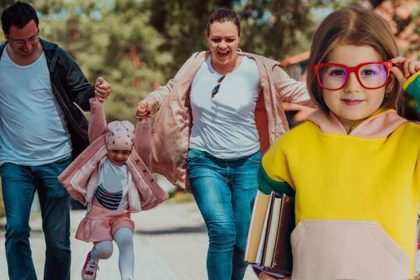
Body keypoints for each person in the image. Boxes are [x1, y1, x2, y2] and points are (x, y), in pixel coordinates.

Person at [136, 7, 314, 280]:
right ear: (207, 37)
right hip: (204, 161)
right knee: (222, 231)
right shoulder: (196, 64)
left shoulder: (258, 69)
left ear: (239, 38)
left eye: (229, 39)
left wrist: (336, 91)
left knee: (243, 241)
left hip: (247, 163)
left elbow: (294, 91)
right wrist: (151, 101)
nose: (223, 46)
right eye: (216, 39)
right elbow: (171, 88)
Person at [256, 6, 420, 280]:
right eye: (337, 72)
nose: (352, 86)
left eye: (368, 73)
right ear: (318, 77)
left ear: (390, 80)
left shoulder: (411, 143)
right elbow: (267, 239)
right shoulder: (291, 147)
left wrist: (416, 84)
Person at [0, 2, 111, 280]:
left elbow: (82, 92)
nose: (28, 45)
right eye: (19, 41)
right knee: (15, 230)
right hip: (14, 161)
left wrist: (97, 92)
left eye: (33, 38)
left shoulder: (54, 56)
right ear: (6, 36)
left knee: (58, 242)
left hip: (57, 160)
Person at [58, 93, 168, 280]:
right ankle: (93, 258)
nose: (119, 156)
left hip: (121, 215)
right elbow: (97, 129)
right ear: (107, 147)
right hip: (98, 215)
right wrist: (98, 104)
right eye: (115, 151)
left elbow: (144, 145)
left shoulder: (132, 163)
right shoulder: (99, 157)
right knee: (105, 249)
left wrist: (144, 122)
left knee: (126, 240)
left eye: (125, 152)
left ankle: (127, 277)